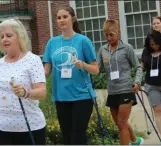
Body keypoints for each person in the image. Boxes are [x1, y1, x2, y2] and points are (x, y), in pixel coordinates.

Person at [43, 6, 99, 145]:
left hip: (82, 96)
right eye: (59, 18)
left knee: (78, 137)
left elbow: (95, 69)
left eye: (65, 17)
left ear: (72, 18)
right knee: (66, 137)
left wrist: (83, 65)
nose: (61, 20)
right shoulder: (52, 43)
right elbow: (46, 70)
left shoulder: (83, 41)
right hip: (61, 97)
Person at [97, 19, 144, 145]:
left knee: (122, 122)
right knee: (119, 122)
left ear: (118, 32)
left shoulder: (127, 48)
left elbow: (138, 67)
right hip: (112, 91)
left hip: (126, 89)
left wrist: (137, 82)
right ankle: (136, 141)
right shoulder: (103, 50)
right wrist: (85, 66)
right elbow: (98, 69)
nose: (108, 38)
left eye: (111, 35)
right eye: (106, 35)